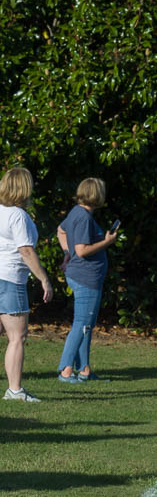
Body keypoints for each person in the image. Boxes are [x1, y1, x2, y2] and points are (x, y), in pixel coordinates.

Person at [55, 178, 118, 382]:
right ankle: (66, 370)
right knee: (82, 324)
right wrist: (106, 242)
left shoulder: (77, 212)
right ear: (96, 195)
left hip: (83, 276)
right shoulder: (83, 217)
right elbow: (82, 251)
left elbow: (61, 230)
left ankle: (84, 369)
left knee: (86, 325)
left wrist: (66, 253)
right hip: (86, 278)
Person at [0, 167, 54, 402]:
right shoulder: (18, 216)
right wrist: (44, 278)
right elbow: (25, 250)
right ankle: (15, 390)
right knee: (17, 336)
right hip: (11, 278)